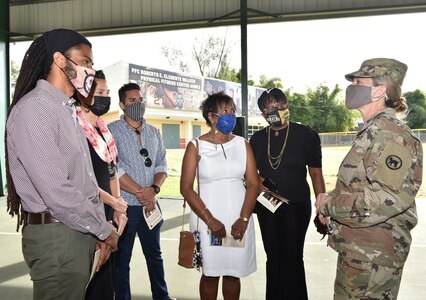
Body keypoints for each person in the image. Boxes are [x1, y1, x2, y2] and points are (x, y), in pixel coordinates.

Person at [5, 28, 119, 300]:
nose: (90, 70)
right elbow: (57, 190)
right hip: (59, 237)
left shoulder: (65, 110)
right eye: (85, 61)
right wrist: (103, 230)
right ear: (59, 60)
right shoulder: (35, 109)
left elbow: (83, 181)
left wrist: (97, 229)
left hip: (75, 230)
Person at [315, 58, 423, 299]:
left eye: (358, 81)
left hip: (373, 257)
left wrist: (328, 205)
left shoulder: (388, 134)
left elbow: (387, 199)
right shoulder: (373, 130)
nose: (352, 86)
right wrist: (332, 200)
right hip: (361, 251)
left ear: (379, 90)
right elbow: (362, 184)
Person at [180, 92, 260, 300]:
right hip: (207, 220)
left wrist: (243, 219)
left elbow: (253, 183)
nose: (231, 116)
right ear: (211, 116)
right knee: (210, 274)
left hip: (238, 219)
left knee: (233, 274)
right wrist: (210, 219)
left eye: (233, 111)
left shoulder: (243, 144)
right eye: (225, 111)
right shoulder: (196, 146)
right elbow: (186, 188)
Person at [249, 88, 326, 299]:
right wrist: (257, 181)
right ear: (263, 113)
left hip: (297, 206)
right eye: (269, 107)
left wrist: (322, 208)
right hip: (267, 206)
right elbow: (247, 173)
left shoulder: (306, 135)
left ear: (287, 105)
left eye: (280, 104)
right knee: (273, 257)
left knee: (293, 257)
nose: (276, 109)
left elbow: (316, 174)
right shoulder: (256, 139)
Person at [108, 83, 176, 300]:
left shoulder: (154, 132)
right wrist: (141, 192)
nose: (137, 104)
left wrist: (154, 190)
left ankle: (161, 296)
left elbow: (161, 165)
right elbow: (115, 168)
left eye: (139, 99)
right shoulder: (112, 131)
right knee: (122, 261)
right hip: (125, 208)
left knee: (155, 256)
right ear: (121, 104)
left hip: (150, 207)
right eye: (131, 101)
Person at [75, 70, 129, 300]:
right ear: (84, 94)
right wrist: (114, 201)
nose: (105, 97)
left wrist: (118, 207)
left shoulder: (103, 130)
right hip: (86, 215)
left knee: (107, 285)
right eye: (100, 92)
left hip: (107, 217)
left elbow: (112, 170)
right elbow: (79, 180)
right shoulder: (74, 128)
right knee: (89, 286)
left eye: (107, 92)